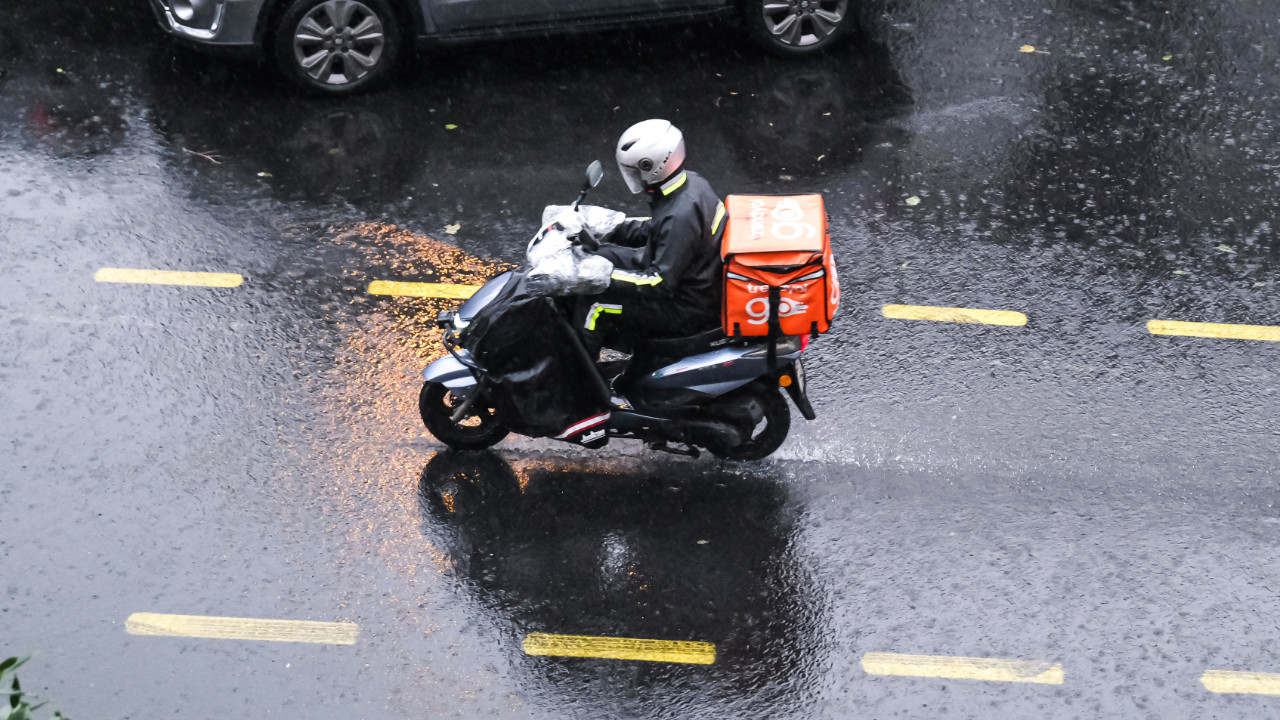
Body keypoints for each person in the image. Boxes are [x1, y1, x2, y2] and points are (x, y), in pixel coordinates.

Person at [578, 119, 728, 362]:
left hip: (687, 308)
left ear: (652, 167)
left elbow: (658, 283)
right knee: (601, 254)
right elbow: (657, 230)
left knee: (595, 306)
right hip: (695, 280)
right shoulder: (690, 182)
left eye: (635, 170)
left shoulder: (680, 214)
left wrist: (603, 276)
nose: (633, 176)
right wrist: (611, 228)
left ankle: (587, 388)